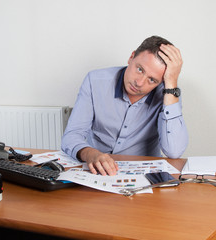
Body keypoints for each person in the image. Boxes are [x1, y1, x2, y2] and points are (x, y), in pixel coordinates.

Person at [61, 36, 188, 176]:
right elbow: (72, 135)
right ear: (131, 57)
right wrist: (90, 154)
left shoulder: (168, 94)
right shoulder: (95, 81)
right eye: (140, 69)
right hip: (96, 172)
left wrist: (171, 83)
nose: (139, 82)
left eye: (152, 80)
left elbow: (174, 151)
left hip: (143, 176)